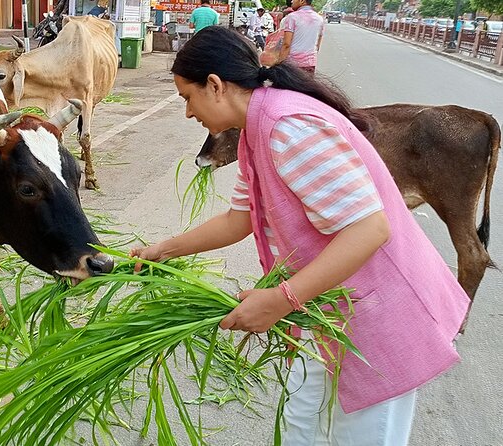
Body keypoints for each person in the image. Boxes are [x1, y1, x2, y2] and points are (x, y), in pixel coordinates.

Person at [131, 26, 469, 445]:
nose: (188, 112)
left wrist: (280, 300)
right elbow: (241, 218)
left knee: (356, 435)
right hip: (328, 307)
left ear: (215, 86)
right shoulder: (256, 130)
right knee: (303, 423)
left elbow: (369, 228)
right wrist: (163, 250)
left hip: (374, 311)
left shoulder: (288, 127)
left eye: (187, 97)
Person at [275, 0, 324, 74]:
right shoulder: (319, 19)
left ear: (302, 1)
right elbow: (317, 46)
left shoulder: (292, 17)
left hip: (292, 65)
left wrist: (279, 64)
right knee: (306, 85)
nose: (291, 1)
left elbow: (286, 45)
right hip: (310, 64)